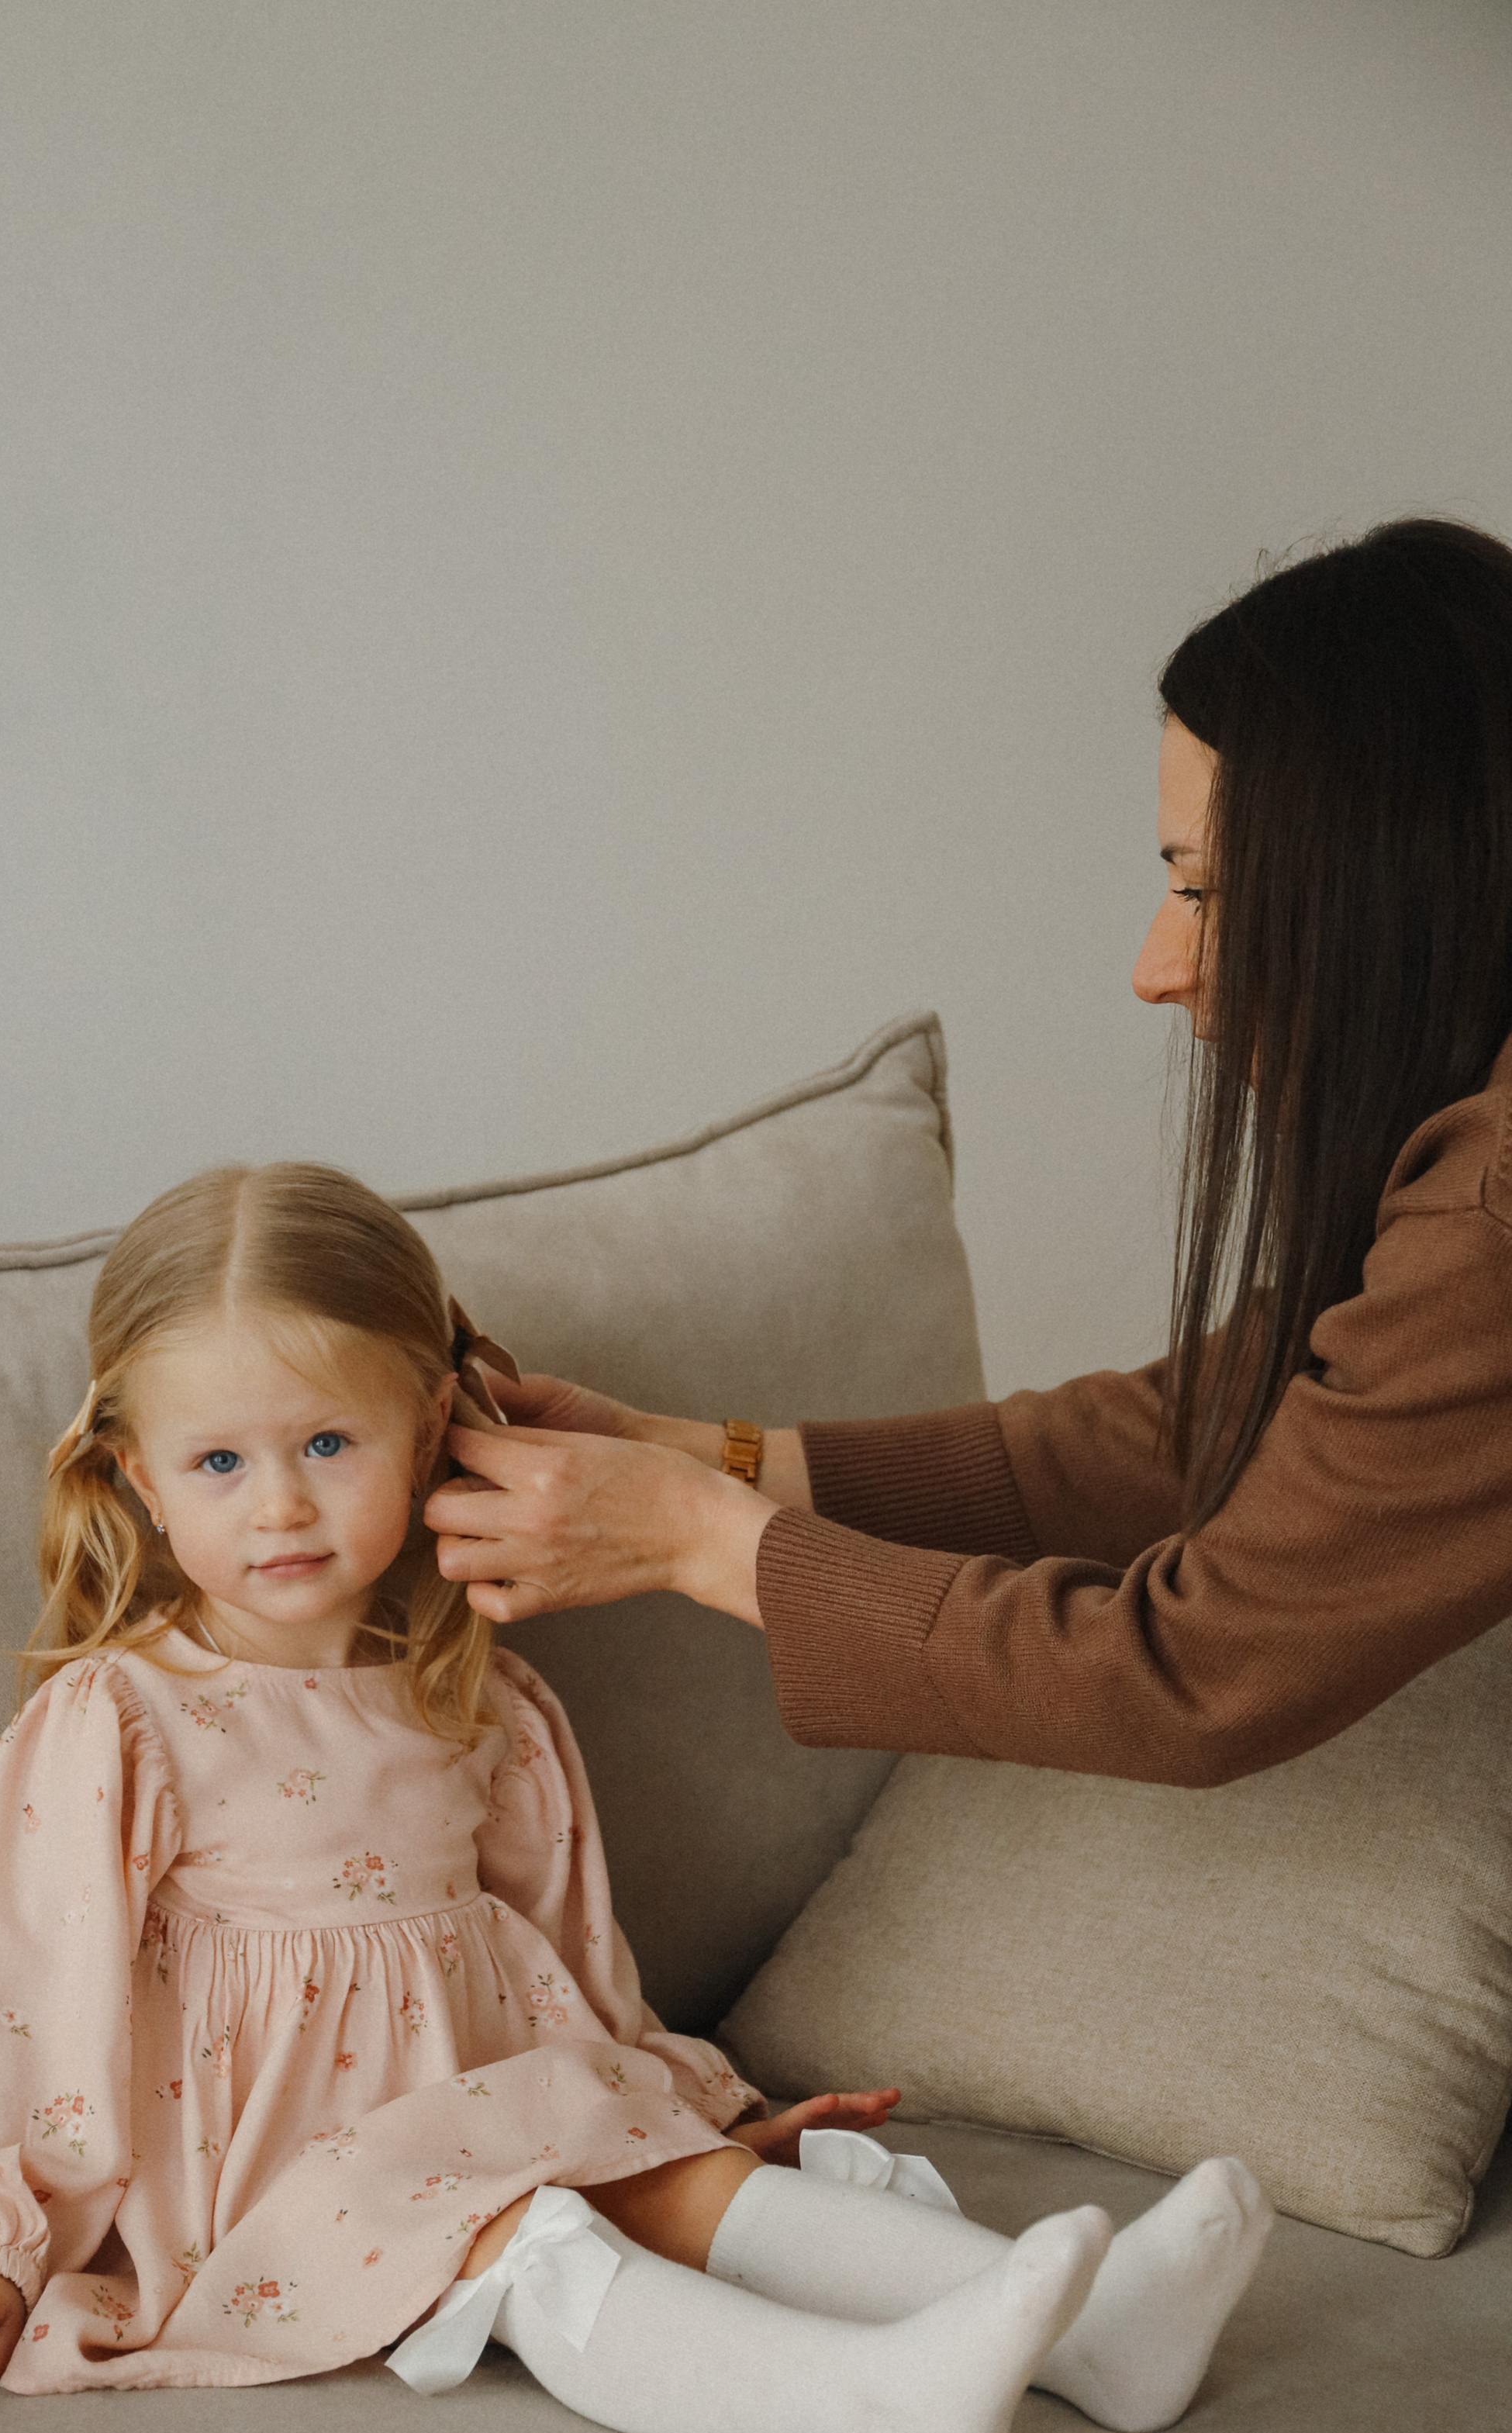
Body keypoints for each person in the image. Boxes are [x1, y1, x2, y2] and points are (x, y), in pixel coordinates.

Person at [0, 1161, 1270, 2433]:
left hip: (493, 2116)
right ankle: (869, 2407)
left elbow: (571, 1969)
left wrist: (678, 2104)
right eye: (218, 1461)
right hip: (281, 2183)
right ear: (141, 1480)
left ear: (429, 1433)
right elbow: (8, 1987)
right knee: (538, 2239)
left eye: (329, 1443)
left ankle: (1093, 2332)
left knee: (680, 2177)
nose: (278, 1504)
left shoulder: (484, 1699)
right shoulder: (124, 1716)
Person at [426, 517, 1512, 1789]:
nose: (1156, 969)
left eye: (1205, 890)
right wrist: (693, 1455)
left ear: (1401, 880)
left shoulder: (1492, 1217)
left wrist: (698, 1541)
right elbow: (1200, 1429)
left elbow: (1187, 1675)